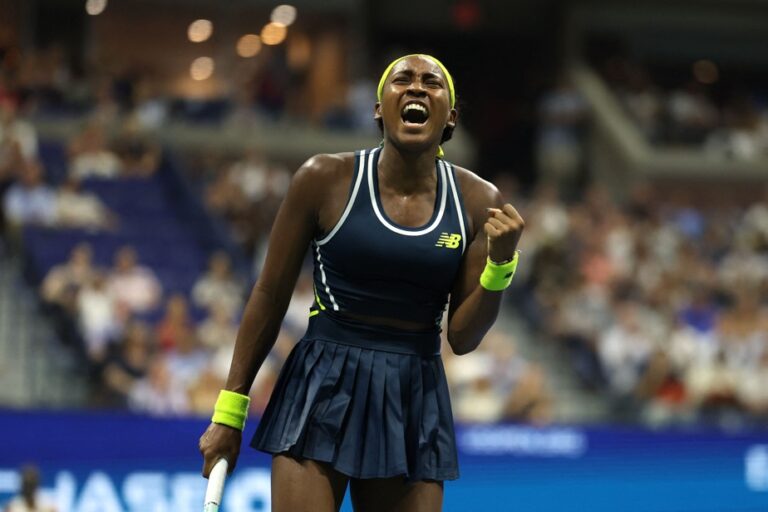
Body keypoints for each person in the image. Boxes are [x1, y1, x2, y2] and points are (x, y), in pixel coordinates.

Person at [198, 54, 525, 512]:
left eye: (431, 82)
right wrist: (229, 414)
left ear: (450, 116)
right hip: (321, 384)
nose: (415, 88)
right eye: (402, 80)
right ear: (378, 108)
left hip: (414, 392)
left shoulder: (477, 200)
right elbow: (269, 297)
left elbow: (464, 337)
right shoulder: (322, 178)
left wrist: (501, 265)